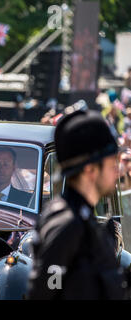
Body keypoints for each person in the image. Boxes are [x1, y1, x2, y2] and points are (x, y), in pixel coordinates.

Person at [28, 109, 127, 300]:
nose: (117, 172)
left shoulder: (84, 218)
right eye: (111, 164)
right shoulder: (67, 224)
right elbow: (46, 290)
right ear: (90, 170)